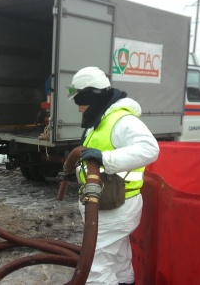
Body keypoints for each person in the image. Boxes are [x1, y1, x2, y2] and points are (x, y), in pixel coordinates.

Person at [66, 67, 159, 285]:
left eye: (81, 101)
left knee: (95, 269)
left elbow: (150, 149)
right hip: (108, 204)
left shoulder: (122, 121)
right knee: (118, 259)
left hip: (116, 205)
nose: (79, 108)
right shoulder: (100, 120)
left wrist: (105, 159)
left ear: (93, 97)